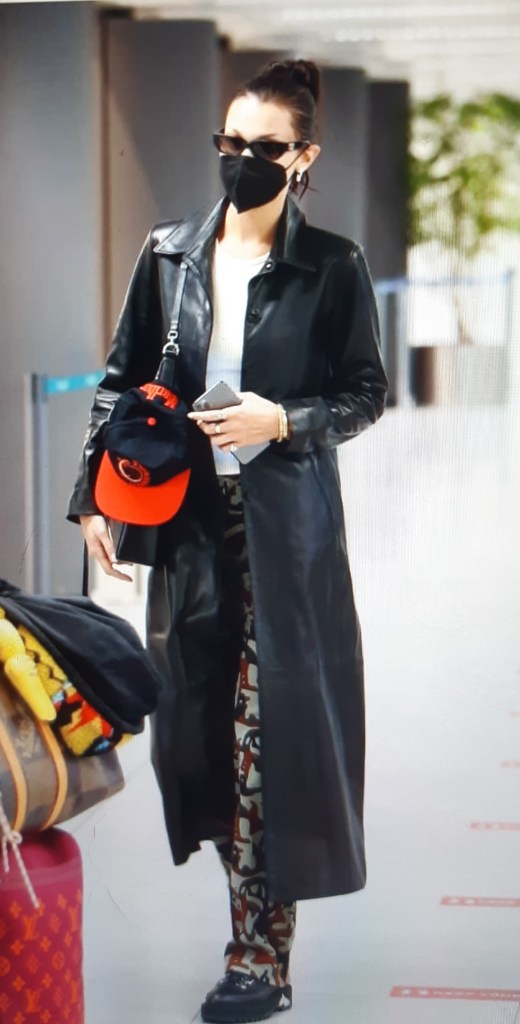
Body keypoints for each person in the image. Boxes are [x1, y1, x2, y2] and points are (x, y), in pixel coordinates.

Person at [68, 58, 388, 1024]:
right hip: (189, 525)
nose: (241, 159)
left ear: (303, 157)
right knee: (205, 738)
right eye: (230, 141)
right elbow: (121, 379)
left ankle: (257, 958)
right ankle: (253, 918)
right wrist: (91, 497)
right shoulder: (169, 252)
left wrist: (280, 420)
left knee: (266, 739)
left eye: (263, 147)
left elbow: (365, 393)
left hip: (288, 535)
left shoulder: (331, 264)